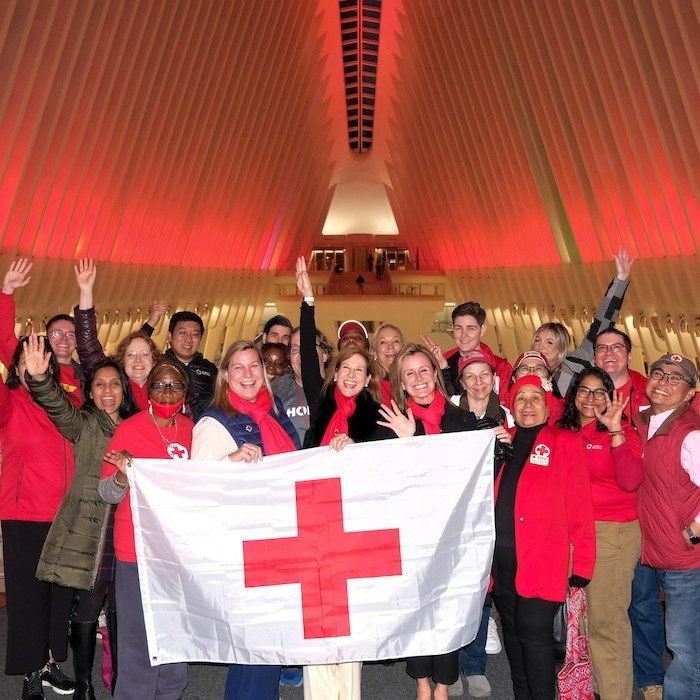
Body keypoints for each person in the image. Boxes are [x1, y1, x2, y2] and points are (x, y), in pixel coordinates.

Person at [295, 255, 392, 700]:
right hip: (315, 518)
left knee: (346, 614)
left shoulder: (377, 415)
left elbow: (390, 462)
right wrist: (308, 301)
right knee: (316, 611)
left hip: (353, 523)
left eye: (359, 371)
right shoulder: (321, 400)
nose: (350, 376)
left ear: (369, 376)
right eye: (345, 369)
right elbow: (312, 368)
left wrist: (360, 449)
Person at [24, 336, 138, 699]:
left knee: (122, 609)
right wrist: (41, 381)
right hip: (94, 532)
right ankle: (84, 685)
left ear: (124, 390)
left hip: (131, 530)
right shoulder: (85, 424)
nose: (108, 391)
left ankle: (122, 681)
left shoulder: (136, 427)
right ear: (89, 393)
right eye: (99, 385)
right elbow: (59, 409)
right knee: (88, 608)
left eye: (114, 384)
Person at [192, 340, 301, 699]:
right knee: (260, 640)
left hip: (279, 535)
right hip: (243, 544)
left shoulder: (274, 412)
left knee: (258, 646)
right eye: (238, 367)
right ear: (224, 375)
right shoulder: (213, 421)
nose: (248, 374)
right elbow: (197, 485)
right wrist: (231, 460)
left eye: (254, 366)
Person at [375, 344, 482, 700]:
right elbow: (382, 480)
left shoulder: (462, 421)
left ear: (436, 374)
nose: (419, 379)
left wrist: (416, 440)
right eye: (410, 373)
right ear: (401, 383)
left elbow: (459, 475)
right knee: (419, 606)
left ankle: (443, 684)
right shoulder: (390, 422)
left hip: (453, 533)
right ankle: (421, 680)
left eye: (424, 371)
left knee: (448, 607)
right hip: (412, 532)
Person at [492, 376, 595, 700]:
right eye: (520, 398)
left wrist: (583, 562)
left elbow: (580, 506)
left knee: (534, 636)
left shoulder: (565, 442)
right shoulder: (501, 442)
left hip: (542, 559)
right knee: (512, 635)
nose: (527, 405)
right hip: (502, 561)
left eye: (534, 398)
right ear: (511, 405)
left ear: (547, 405)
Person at [98, 359, 194, 700]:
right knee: (138, 638)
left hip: (176, 552)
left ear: (185, 393)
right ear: (147, 392)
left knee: (175, 632)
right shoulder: (131, 429)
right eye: (159, 385)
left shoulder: (192, 430)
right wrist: (124, 473)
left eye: (175, 386)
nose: (167, 392)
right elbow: (106, 492)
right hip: (136, 550)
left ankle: (169, 694)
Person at [558, 368, 643, 700]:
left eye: (599, 392)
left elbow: (631, 480)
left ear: (610, 398)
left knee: (606, 624)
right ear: (573, 394)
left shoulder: (620, 433)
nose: (590, 399)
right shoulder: (563, 432)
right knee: (583, 622)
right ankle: (594, 689)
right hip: (572, 534)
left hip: (611, 534)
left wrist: (616, 430)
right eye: (583, 390)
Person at [0, 336, 76, 699]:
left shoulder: (69, 403)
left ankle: (49, 663)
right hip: (23, 513)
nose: (35, 367)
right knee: (28, 596)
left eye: (42, 361)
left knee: (59, 596)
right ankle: (31, 668)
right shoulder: (10, 402)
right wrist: (8, 295)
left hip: (65, 516)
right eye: (27, 362)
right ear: (16, 367)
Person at [591, 328, 664, 698]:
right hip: (618, 516)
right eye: (601, 348)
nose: (609, 354)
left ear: (629, 354)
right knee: (611, 607)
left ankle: (651, 677)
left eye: (616, 347)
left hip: (649, 513)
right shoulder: (590, 400)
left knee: (643, 602)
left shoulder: (652, 391)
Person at [634, 353, 700, 700]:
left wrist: (695, 530)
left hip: (686, 559)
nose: (664, 382)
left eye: (676, 379)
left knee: (685, 648)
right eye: (659, 373)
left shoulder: (690, 433)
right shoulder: (644, 421)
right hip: (652, 550)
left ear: (690, 393)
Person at [534, 245, 633, 398]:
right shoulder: (523, 370)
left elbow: (603, 322)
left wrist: (620, 281)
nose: (540, 347)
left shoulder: (577, 362)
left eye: (550, 342)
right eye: (537, 340)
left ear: (561, 348)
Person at [73, 258, 162, 410]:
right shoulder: (115, 389)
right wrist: (86, 292)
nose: (138, 360)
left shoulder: (166, 389)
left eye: (144, 354)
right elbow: (88, 347)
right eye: (131, 354)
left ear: (154, 360)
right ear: (122, 360)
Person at [1, 259, 84, 407]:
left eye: (71, 334)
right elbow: (3, 334)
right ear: (46, 337)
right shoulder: (26, 361)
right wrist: (8, 290)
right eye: (57, 334)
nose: (64, 339)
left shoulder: (86, 376)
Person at [427, 301, 512, 403]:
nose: (463, 335)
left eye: (470, 329)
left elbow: (505, 406)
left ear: (483, 330)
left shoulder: (501, 367)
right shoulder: (443, 361)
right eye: (458, 328)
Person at [272, 326, 332, 445]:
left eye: (309, 347)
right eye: (295, 349)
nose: (303, 354)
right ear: (290, 358)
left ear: (325, 355)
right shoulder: (275, 391)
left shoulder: (340, 390)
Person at [165, 310, 217, 420]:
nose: (188, 339)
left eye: (195, 334)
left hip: (206, 430)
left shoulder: (210, 369)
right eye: (182, 333)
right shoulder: (160, 366)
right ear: (170, 336)